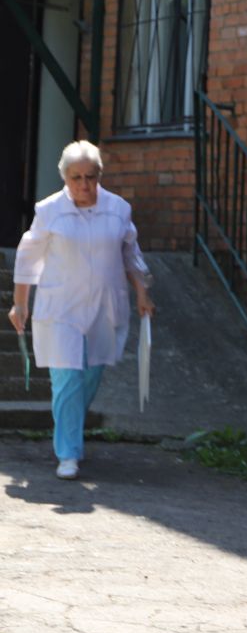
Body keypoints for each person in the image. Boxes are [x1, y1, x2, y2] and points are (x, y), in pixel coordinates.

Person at [8, 140, 155, 480]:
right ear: (64, 177)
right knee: (68, 380)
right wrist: (20, 303)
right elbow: (28, 257)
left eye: (90, 177)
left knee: (90, 376)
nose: (84, 185)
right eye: (76, 178)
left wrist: (142, 293)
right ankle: (68, 453)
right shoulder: (49, 211)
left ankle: (70, 432)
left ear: (99, 176)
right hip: (61, 307)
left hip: (105, 306)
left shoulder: (118, 209)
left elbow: (131, 255)